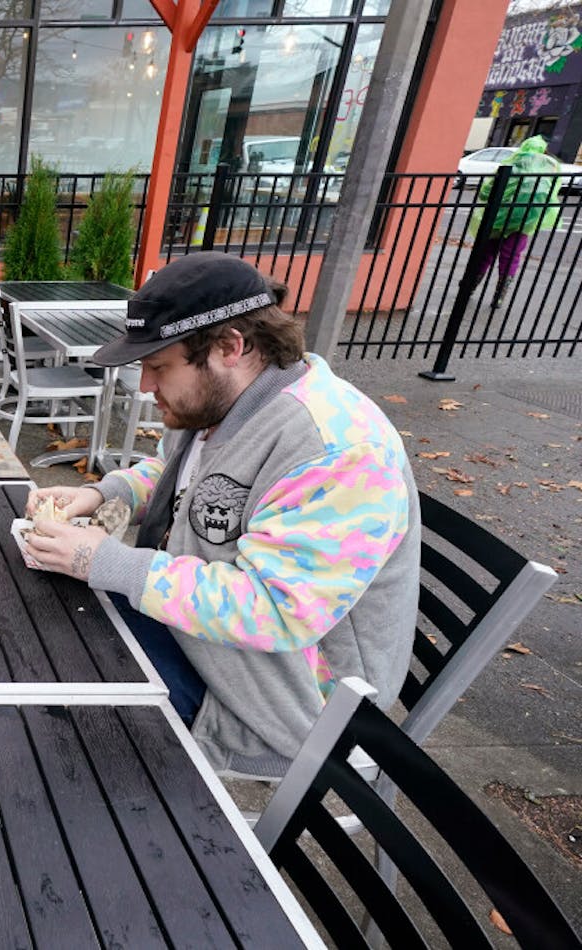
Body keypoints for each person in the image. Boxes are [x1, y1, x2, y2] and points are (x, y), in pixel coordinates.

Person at [24, 252, 421, 777]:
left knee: (55, 691)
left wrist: (110, 564)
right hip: (205, 644)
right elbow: (185, 476)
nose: (145, 387)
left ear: (231, 346)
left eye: (158, 367)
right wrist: (105, 493)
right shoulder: (228, 400)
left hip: (283, 701)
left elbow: (278, 610)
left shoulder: (339, 452)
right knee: (45, 623)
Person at [462, 136, 563, 311]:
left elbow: (486, 192)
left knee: (485, 254)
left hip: (497, 219)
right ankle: (499, 295)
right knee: (511, 257)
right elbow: (550, 199)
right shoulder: (550, 169)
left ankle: (469, 287)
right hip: (524, 223)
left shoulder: (512, 164)